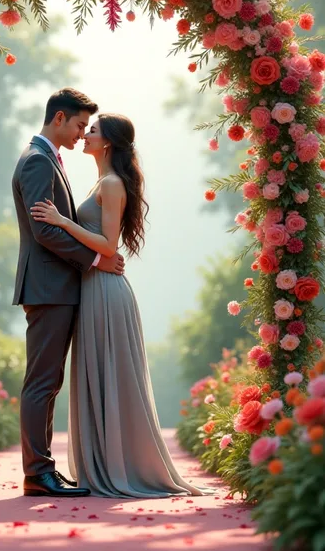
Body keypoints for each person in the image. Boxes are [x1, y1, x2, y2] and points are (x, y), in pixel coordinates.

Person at [31, 113, 207, 498]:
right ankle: (105, 464)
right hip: (95, 286)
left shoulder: (111, 185)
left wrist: (61, 221)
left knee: (111, 373)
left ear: (107, 142)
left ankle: (121, 467)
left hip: (107, 290)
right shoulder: (101, 182)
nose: (85, 135)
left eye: (91, 131)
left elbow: (109, 246)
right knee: (99, 373)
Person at [12, 89, 125, 498]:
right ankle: (37, 473)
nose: (81, 135)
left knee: (49, 381)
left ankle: (43, 469)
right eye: (79, 125)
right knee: (42, 381)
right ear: (59, 118)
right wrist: (95, 261)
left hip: (55, 286)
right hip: (48, 286)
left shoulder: (46, 158)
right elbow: (44, 230)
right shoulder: (39, 161)